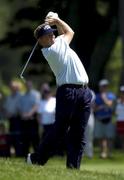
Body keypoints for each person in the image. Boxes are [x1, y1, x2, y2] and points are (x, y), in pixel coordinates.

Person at [27, 12, 92, 169]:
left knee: (79, 133)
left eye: (52, 33)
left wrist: (56, 23)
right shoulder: (52, 50)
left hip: (84, 92)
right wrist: (56, 20)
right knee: (60, 130)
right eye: (49, 35)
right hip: (68, 92)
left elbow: (63, 34)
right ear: (42, 40)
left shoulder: (59, 44)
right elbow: (70, 32)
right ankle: (36, 159)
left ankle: (73, 168)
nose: (52, 36)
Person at [94, 79, 116, 158]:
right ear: (100, 87)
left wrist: (104, 98)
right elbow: (94, 109)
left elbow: (110, 104)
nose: (104, 88)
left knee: (109, 137)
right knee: (101, 137)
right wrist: (99, 107)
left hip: (108, 119)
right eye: (103, 86)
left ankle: (109, 153)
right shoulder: (96, 96)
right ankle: (102, 153)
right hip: (99, 119)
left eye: (105, 86)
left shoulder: (111, 95)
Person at [18, 80, 40, 157]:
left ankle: (37, 155)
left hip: (32, 120)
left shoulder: (36, 94)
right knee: (25, 139)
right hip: (24, 121)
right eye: (27, 85)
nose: (28, 86)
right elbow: (20, 108)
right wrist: (23, 115)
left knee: (34, 139)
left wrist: (28, 114)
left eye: (29, 85)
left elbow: (36, 106)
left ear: (31, 85)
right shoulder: (22, 96)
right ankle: (26, 155)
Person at [4, 81, 22, 157]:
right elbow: (5, 107)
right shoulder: (9, 97)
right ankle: (11, 154)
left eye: (13, 87)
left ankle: (19, 154)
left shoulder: (21, 97)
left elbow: (20, 108)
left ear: (17, 88)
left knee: (18, 137)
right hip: (10, 119)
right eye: (11, 87)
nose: (12, 88)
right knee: (11, 136)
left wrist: (13, 113)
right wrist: (7, 113)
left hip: (18, 119)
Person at [85, 89, 95, 158]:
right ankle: (81, 154)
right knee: (80, 135)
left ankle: (89, 154)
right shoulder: (77, 90)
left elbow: (92, 104)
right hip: (79, 115)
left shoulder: (91, 92)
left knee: (89, 135)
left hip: (89, 115)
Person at [115, 85, 124, 150]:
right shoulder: (117, 101)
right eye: (122, 92)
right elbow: (116, 112)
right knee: (121, 136)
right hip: (120, 120)